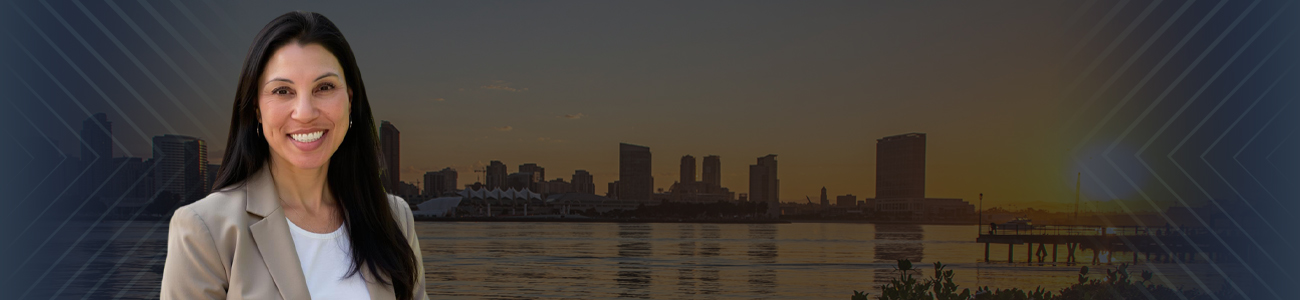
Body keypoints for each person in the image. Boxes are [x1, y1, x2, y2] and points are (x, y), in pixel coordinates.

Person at [161, 11, 428, 300]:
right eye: (282, 90)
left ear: (350, 100)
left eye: (324, 87)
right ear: (256, 110)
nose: (305, 113)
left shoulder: (394, 219)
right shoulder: (205, 230)